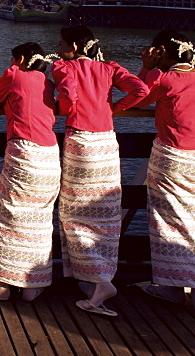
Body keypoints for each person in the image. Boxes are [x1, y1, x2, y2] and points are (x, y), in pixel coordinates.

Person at [53, 25, 148, 316]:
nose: (58, 45)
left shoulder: (64, 66)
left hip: (81, 141)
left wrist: (67, 107)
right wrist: (114, 108)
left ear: (74, 47)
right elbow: (141, 89)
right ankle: (98, 277)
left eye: (61, 42)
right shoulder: (109, 68)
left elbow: (67, 94)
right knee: (104, 215)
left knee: (74, 213)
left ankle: (97, 279)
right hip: (107, 143)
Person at [137, 30, 195, 314]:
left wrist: (146, 68)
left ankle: (170, 287)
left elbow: (138, 98)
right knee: (194, 221)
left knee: (165, 222)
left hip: (169, 156)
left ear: (161, 52)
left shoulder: (164, 79)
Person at [0, 42, 58, 303]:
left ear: (19, 59)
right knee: (38, 221)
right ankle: (34, 283)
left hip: (24, 152)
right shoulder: (47, 81)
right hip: (50, 155)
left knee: (6, 216)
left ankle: (1, 282)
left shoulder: (15, 75)